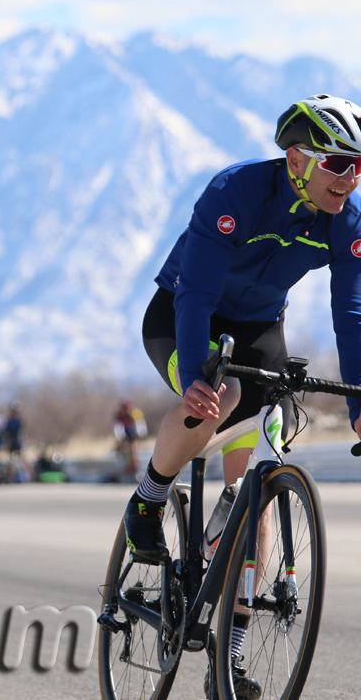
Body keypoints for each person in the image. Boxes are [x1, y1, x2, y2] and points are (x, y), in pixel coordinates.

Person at [121, 94, 361, 698]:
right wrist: (199, 372)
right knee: (219, 397)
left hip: (259, 330)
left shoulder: (347, 221)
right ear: (297, 158)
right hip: (182, 315)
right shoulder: (235, 192)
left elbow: (353, 317)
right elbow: (197, 291)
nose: (351, 177)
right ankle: (149, 497)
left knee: (256, 478)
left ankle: (226, 664)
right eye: (339, 164)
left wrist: (360, 408)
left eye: (360, 165)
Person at [112, 399, 147, 482]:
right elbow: (117, 427)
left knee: (133, 451)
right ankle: (125, 470)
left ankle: (135, 470)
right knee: (122, 451)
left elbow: (140, 425)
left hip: (133, 435)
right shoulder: (119, 415)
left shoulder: (135, 414)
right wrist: (120, 437)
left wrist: (140, 435)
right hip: (124, 436)